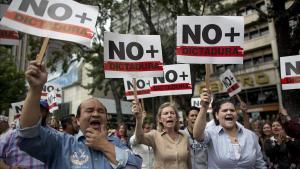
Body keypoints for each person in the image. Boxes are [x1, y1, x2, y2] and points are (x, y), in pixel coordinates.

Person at [17, 60, 142, 169]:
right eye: (89, 110)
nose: (96, 114)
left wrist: (104, 145)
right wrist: (35, 89)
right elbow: (28, 133)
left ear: (106, 118)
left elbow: (135, 165)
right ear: (77, 120)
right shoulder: (61, 143)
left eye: (101, 111)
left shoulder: (118, 143)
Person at [193, 88, 267, 169]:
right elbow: (197, 135)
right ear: (217, 115)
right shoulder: (211, 134)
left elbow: (260, 165)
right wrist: (204, 107)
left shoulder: (251, 136)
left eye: (232, 110)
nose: (229, 112)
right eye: (224, 110)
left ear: (236, 115)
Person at [132, 101, 191, 169]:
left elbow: (188, 162)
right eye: (166, 113)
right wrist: (139, 119)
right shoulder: (155, 135)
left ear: (176, 118)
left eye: (172, 113)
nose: (169, 115)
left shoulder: (184, 136)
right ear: (160, 119)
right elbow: (139, 138)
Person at [0, 100, 49, 169]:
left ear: (47, 113)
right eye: (32, 109)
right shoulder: (10, 135)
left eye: (41, 110)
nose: (36, 112)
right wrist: (8, 168)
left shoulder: (55, 136)